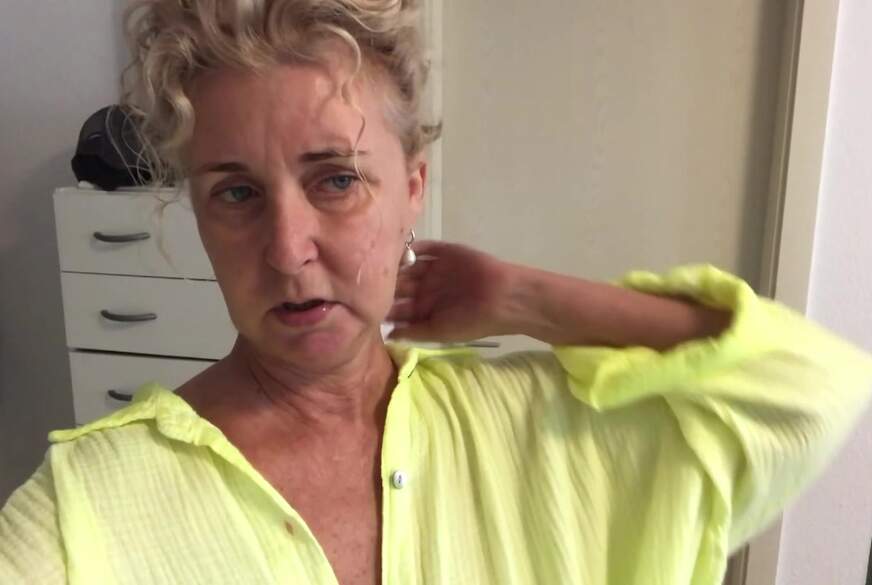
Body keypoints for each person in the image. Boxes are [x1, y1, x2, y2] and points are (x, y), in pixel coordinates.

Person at [2, 1, 871, 583]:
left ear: (413, 185)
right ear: (196, 211)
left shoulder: (536, 433)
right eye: (236, 193)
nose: (289, 249)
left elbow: (811, 386)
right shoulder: (87, 508)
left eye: (337, 179)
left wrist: (527, 298)